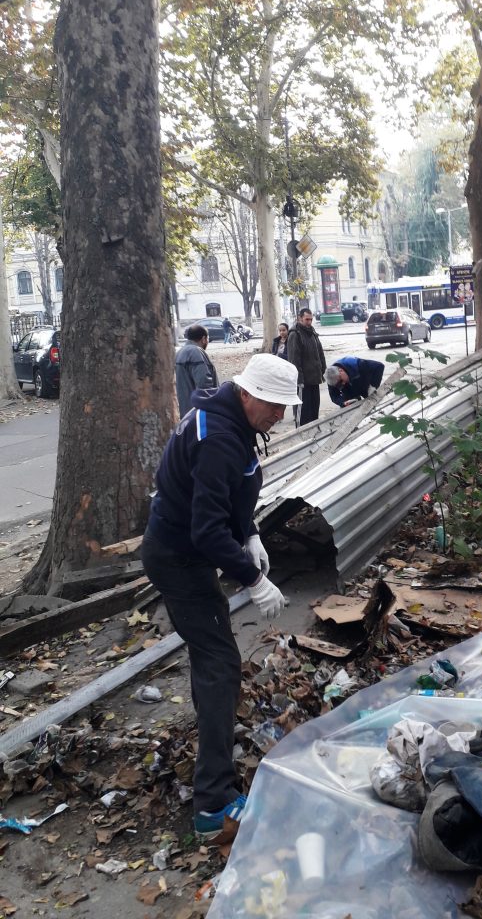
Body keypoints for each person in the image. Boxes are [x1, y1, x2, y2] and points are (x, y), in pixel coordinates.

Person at [140, 355, 302, 840]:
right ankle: (212, 804)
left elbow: (226, 495)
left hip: (185, 552)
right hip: (179, 558)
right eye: (273, 405)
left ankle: (214, 759)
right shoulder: (218, 437)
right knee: (220, 666)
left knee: (215, 660)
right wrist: (253, 579)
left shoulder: (229, 417)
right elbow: (207, 529)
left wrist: (249, 531)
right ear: (247, 393)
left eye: (285, 407)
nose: (279, 415)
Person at [286, 308, 326, 426]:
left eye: (311, 319)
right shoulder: (295, 334)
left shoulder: (312, 332)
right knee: (303, 414)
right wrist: (299, 380)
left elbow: (320, 353)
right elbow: (294, 360)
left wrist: (322, 370)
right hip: (303, 383)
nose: (309, 322)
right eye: (307, 319)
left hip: (314, 380)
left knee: (314, 412)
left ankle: (314, 433)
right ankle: (302, 434)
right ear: (300, 318)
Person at [175, 324, 218, 417]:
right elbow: (204, 385)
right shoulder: (196, 352)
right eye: (208, 339)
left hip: (184, 411)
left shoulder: (179, 353)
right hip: (198, 414)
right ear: (204, 339)